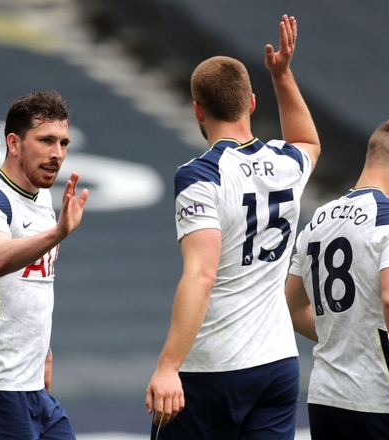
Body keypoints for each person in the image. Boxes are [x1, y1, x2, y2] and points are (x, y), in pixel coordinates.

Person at [145, 15, 320, 439]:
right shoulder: (285, 163)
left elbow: (202, 274)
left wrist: (168, 366)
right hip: (278, 366)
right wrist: (282, 76)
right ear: (252, 103)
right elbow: (309, 142)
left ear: (198, 110)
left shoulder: (200, 176)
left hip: (214, 367)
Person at [0, 90, 88, 440]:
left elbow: (32, 286)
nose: (57, 154)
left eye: (63, 142)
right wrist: (58, 233)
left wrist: (44, 353)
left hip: (31, 383)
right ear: (14, 142)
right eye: (46, 140)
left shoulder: (43, 196)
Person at [285, 117, 389, 440]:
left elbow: (291, 307)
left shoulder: (317, 222)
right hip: (380, 398)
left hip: (325, 400)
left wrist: (344, 335)